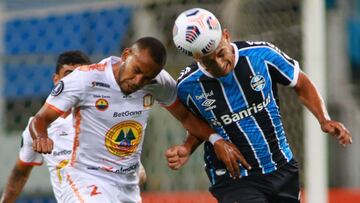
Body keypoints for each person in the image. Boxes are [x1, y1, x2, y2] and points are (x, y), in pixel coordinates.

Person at [165, 8, 352, 203]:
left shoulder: (261, 55)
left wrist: (324, 119)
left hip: (281, 167)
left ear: (227, 36)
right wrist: (188, 146)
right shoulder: (188, 86)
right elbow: (197, 122)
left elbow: (301, 83)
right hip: (234, 176)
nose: (220, 64)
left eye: (221, 53)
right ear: (196, 58)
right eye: (209, 61)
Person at [29, 37, 247, 203]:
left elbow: (186, 117)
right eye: (136, 71)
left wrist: (216, 139)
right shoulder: (85, 79)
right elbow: (41, 119)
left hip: (128, 184)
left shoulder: (159, 83)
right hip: (86, 178)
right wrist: (41, 136)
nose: (138, 81)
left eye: (147, 78)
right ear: (125, 55)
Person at [0, 51, 91, 203]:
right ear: (56, 80)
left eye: (80, 75)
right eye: (69, 75)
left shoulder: (102, 116)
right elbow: (21, 172)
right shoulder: (38, 126)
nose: (75, 81)